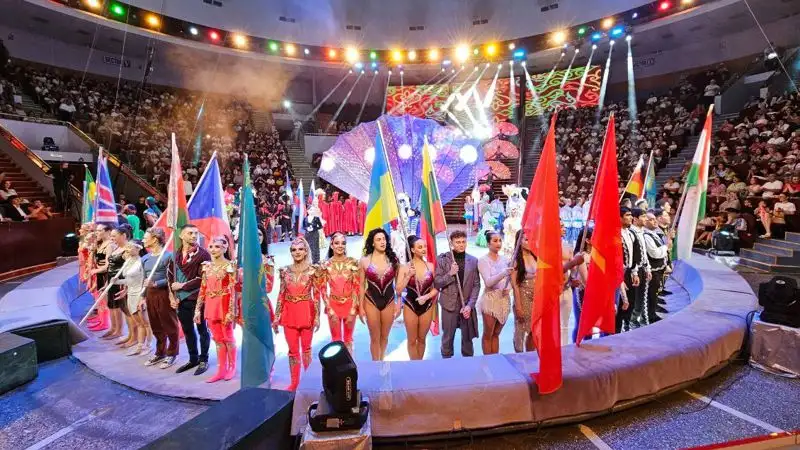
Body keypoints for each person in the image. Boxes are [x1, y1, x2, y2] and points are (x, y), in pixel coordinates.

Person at [275, 237, 321, 391]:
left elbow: (317, 295)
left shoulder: (313, 270)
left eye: (300, 249)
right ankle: (294, 383)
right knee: (293, 351)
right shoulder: (284, 271)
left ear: (306, 251)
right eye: (294, 250)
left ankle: (308, 382)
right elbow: (281, 294)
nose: (297, 252)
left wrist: (317, 317)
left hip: (306, 311)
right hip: (289, 313)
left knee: (306, 349)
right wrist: (277, 316)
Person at [168, 224, 212, 376]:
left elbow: (202, 278)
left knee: (202, 330)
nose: (194, 236)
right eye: (190, 233)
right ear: (181, 236)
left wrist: (182, 285)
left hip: (198, 299)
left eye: (196, 233)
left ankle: (203, 359)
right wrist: (172, 296)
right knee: (187, 330)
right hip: (181, 300)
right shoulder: (175, 255)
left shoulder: (204, 255)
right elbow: (170, 276)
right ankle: (193, 358)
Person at [195, 237, 239, 383]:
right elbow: (203, 288)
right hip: (210, 305)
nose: (213, 249)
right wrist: (197, 310)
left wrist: (231, 311)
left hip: (224, 304)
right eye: (211, 246)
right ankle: (221, 369)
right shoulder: (206, 266)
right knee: (218, 339)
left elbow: (233, 289)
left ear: (225, 248)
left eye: (217, 247)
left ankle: (232, 366)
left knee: (228, 337)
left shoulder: (230, 265)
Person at [434, 231, 480, 358]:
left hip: (466, 305)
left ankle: (468, 364)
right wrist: (450, 273)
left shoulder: (473, 261)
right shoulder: (443, 259)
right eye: (458, 242)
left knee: (468, 339)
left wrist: (470, 305)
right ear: (451, 243)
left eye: (463, 242)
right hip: (449, 305)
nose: (461, 244)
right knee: (447, 338)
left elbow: (476, 285)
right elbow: (437, 282)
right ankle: (447, 361)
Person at [358, 228, 400, 361]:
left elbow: (398, 286)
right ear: (372, 243)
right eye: (378, 239)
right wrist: (360, 307)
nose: (382, 242)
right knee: (374, 337)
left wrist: (399, 303)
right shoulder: (364, 261)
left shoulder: (394, 260)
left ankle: (381, 360)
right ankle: (376, 364)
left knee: (384, 337)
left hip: (389, 301)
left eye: (384, 239)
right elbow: (361, 285)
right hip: (371, 301)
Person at [141, 228, 180, 369]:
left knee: (169, 324)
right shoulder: (145, 258)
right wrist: (142, 297)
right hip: (150, 294)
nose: (143, 240)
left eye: (146, 238)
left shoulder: (168, 256)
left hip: (165, 294)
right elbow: (144, 279)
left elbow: (173, 277)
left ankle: (172, 353)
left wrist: (156, 283)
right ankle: (160, 352)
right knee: (155, 325)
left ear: (155, 239)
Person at [395, 235, 439, 360]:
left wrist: (427, 297)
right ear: (412, 250)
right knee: (412, 339)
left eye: (424, 246)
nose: (424, 249)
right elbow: (398, 290)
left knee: (422, 339)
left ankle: (420, 365)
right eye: (420, 247)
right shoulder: (404, 268)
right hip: (410, 306)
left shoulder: (431, 266)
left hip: (427, 306)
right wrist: (408, 276)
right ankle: (413, 365)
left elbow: (436, 288)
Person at [318, 232, 360, 355]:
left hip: (350, 304)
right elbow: (322, 288)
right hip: (333, 306)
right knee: (336, 340)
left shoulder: (353, 262)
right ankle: (337, 365)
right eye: (337, 243)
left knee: (348, 340)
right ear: (331, 245)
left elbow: (357, 287)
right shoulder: (325, 265)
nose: (340, 246)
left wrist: (354, 308)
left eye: (343, 243)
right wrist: (329, 308)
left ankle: (349, 364)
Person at [477, 231, 511, 355]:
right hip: (490, 300)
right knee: (488, 334)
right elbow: (488, 282)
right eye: (495, 241)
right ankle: (488, 361)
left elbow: (510, 279)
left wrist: (509, 287)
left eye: (500, 240)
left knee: (496, 334)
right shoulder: (483, 260)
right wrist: (503, 273)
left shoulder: (505, 259)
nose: (498, 243)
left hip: (504, 299)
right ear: (488, 244)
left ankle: (495, 360)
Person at [117, 241, 150, 356]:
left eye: (130, 247)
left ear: (138, 249)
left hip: (139, 294)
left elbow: (144, 280)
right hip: (130, 294)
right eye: (127, 247)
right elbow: (129, 280)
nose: (127, 249)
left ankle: (148, 345)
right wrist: (117, 281)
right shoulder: (128, 261)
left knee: (145, 323)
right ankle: (139, 346)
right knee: (138, 323)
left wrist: (143, 297)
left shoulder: (142, 262)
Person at [511, 230, 536, 353]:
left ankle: (530, 356)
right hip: (523, 296)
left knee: (533, 330)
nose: (529, 242)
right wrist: (518, 306)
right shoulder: (515, 260)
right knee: (521, 329)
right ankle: (519, 357)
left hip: (536, 297)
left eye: (531, 239)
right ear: (519, 241)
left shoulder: (536, 256)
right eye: (526, 239)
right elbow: (515, 285)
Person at [643, 213, 669, 324]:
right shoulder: (646, 236)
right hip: (652, 269)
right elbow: (654, 253)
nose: (655, 221)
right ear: (645, 222)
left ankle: (653, 312)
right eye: (651, 220)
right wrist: (666, 247)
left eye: (655, 219)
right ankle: (650, 316)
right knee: (651, 294)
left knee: (655, 292)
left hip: (658, 268)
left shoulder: (653, 234)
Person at [629, 208, 651, 328]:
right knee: (634, 296)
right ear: (635, 219)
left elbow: (644, 252)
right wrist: (635, 271)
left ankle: (636, 318)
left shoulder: (642, 232)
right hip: (635, 269)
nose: (646, 219)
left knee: (641, 296)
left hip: (642, 268)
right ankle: (630, 320)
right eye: (643, 216)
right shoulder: (631, 233)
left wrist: (647, 268)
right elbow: (633, 254)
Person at [618, 208, 635, 333]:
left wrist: (634, 271)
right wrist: (619, 278)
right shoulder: (615, 235)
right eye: (628, 215)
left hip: (629, 272)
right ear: (619, 218)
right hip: (618, 274)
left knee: (630, 302)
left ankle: (626, 326)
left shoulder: (630, 233)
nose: (631, 217)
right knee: (619, 305)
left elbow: (635, 254)